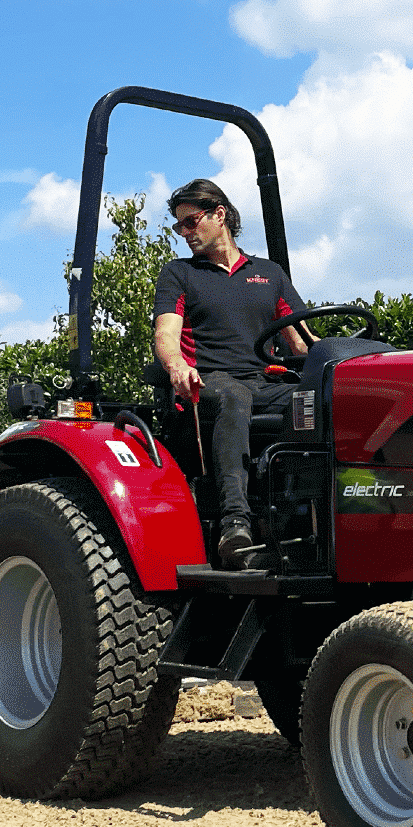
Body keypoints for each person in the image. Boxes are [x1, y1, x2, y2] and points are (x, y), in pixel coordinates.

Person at [152, 178, 311, 569]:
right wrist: (177, 368)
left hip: (263, 382)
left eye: (191, 222)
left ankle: (308, 515)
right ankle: (234, 523)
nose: (184, 234)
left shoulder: (269, 274)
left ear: (219, 215)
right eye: (179, 227)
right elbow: (166, 334)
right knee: (232, 397)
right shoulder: (180, 274)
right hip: (207, 382)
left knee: (317, 398)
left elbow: (303, 343)